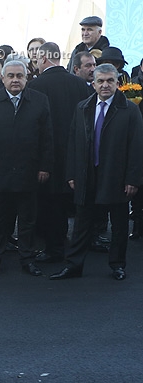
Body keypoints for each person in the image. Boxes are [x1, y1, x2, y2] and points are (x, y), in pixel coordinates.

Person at [50, 64, 143, 281]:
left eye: (110, 81)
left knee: (119, 224)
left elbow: (137, 147)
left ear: (117, 83)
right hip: (86, 173)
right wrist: (71, 173)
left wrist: (132, 178)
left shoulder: (129, 110)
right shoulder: (83, 107)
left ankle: (117, 265)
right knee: (82, 222)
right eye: (100, 81)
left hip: (116, 175)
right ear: (93, 84)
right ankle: (74, 265)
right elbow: (72, 142)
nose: (105, 85)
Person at [0, 60, 53, 276]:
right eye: (11, 76)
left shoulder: (39, 101)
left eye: (20, 76)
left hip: (30, 171)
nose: (15, 80)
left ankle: (27, 259)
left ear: (27, 78)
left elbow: (47, 138)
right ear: (3, 78)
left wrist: (45, 167)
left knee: (28, 220)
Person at [26, 42, 91, 264]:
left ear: (43, 59)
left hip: (46, 155)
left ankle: (53, 248)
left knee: (49, 204)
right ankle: (73, 246)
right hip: (77, 153)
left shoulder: (36, 85)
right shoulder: (81, 85)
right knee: (71, 203)